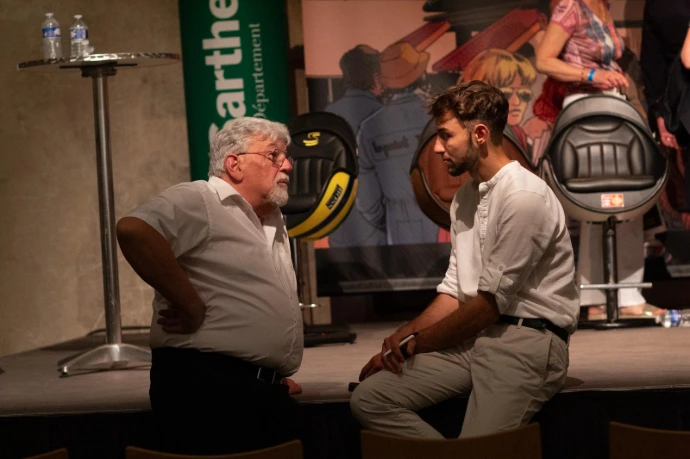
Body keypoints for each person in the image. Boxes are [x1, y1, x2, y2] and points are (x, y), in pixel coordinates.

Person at [350, 81, 578, 438]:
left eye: (445, 135)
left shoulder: (523, 196)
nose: (437, 148)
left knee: (479, 445)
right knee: (369, 399)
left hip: (527, 342)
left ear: (480, 134)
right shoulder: (466, 197)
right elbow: (457, 289)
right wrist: (402, 337)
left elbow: (487, 307)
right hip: (475, 339)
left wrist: (414, 346)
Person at [116, 117, 303, 455]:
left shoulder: (272, 219)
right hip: (206, 388)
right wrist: (190, 305)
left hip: (249, 387)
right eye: (274, 155)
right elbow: (134, 230)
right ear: (235, 164)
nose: (287, 165)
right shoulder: (201, 198)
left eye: (286, 156)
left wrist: (269, 371)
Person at [535, 0, 657, 319]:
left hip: (609, 105)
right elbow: (544, 60)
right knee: (597, 203)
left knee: (625, 201)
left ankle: (622, 296)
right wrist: (591, 73)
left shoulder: (601, 6)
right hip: (586, 110)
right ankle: (600, 298)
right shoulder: (571, 6)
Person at [356, 42, 438, 245]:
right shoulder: (441, 116)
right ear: (421, 75)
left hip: (399, 222)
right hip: (445, 212)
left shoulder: (369, 128)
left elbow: (366, 199)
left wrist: (388, 219)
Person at [326, 44, 387, 247]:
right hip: (378, 227)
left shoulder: (328, 114)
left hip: (339, 224)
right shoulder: (382, 115)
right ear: (376, 77)